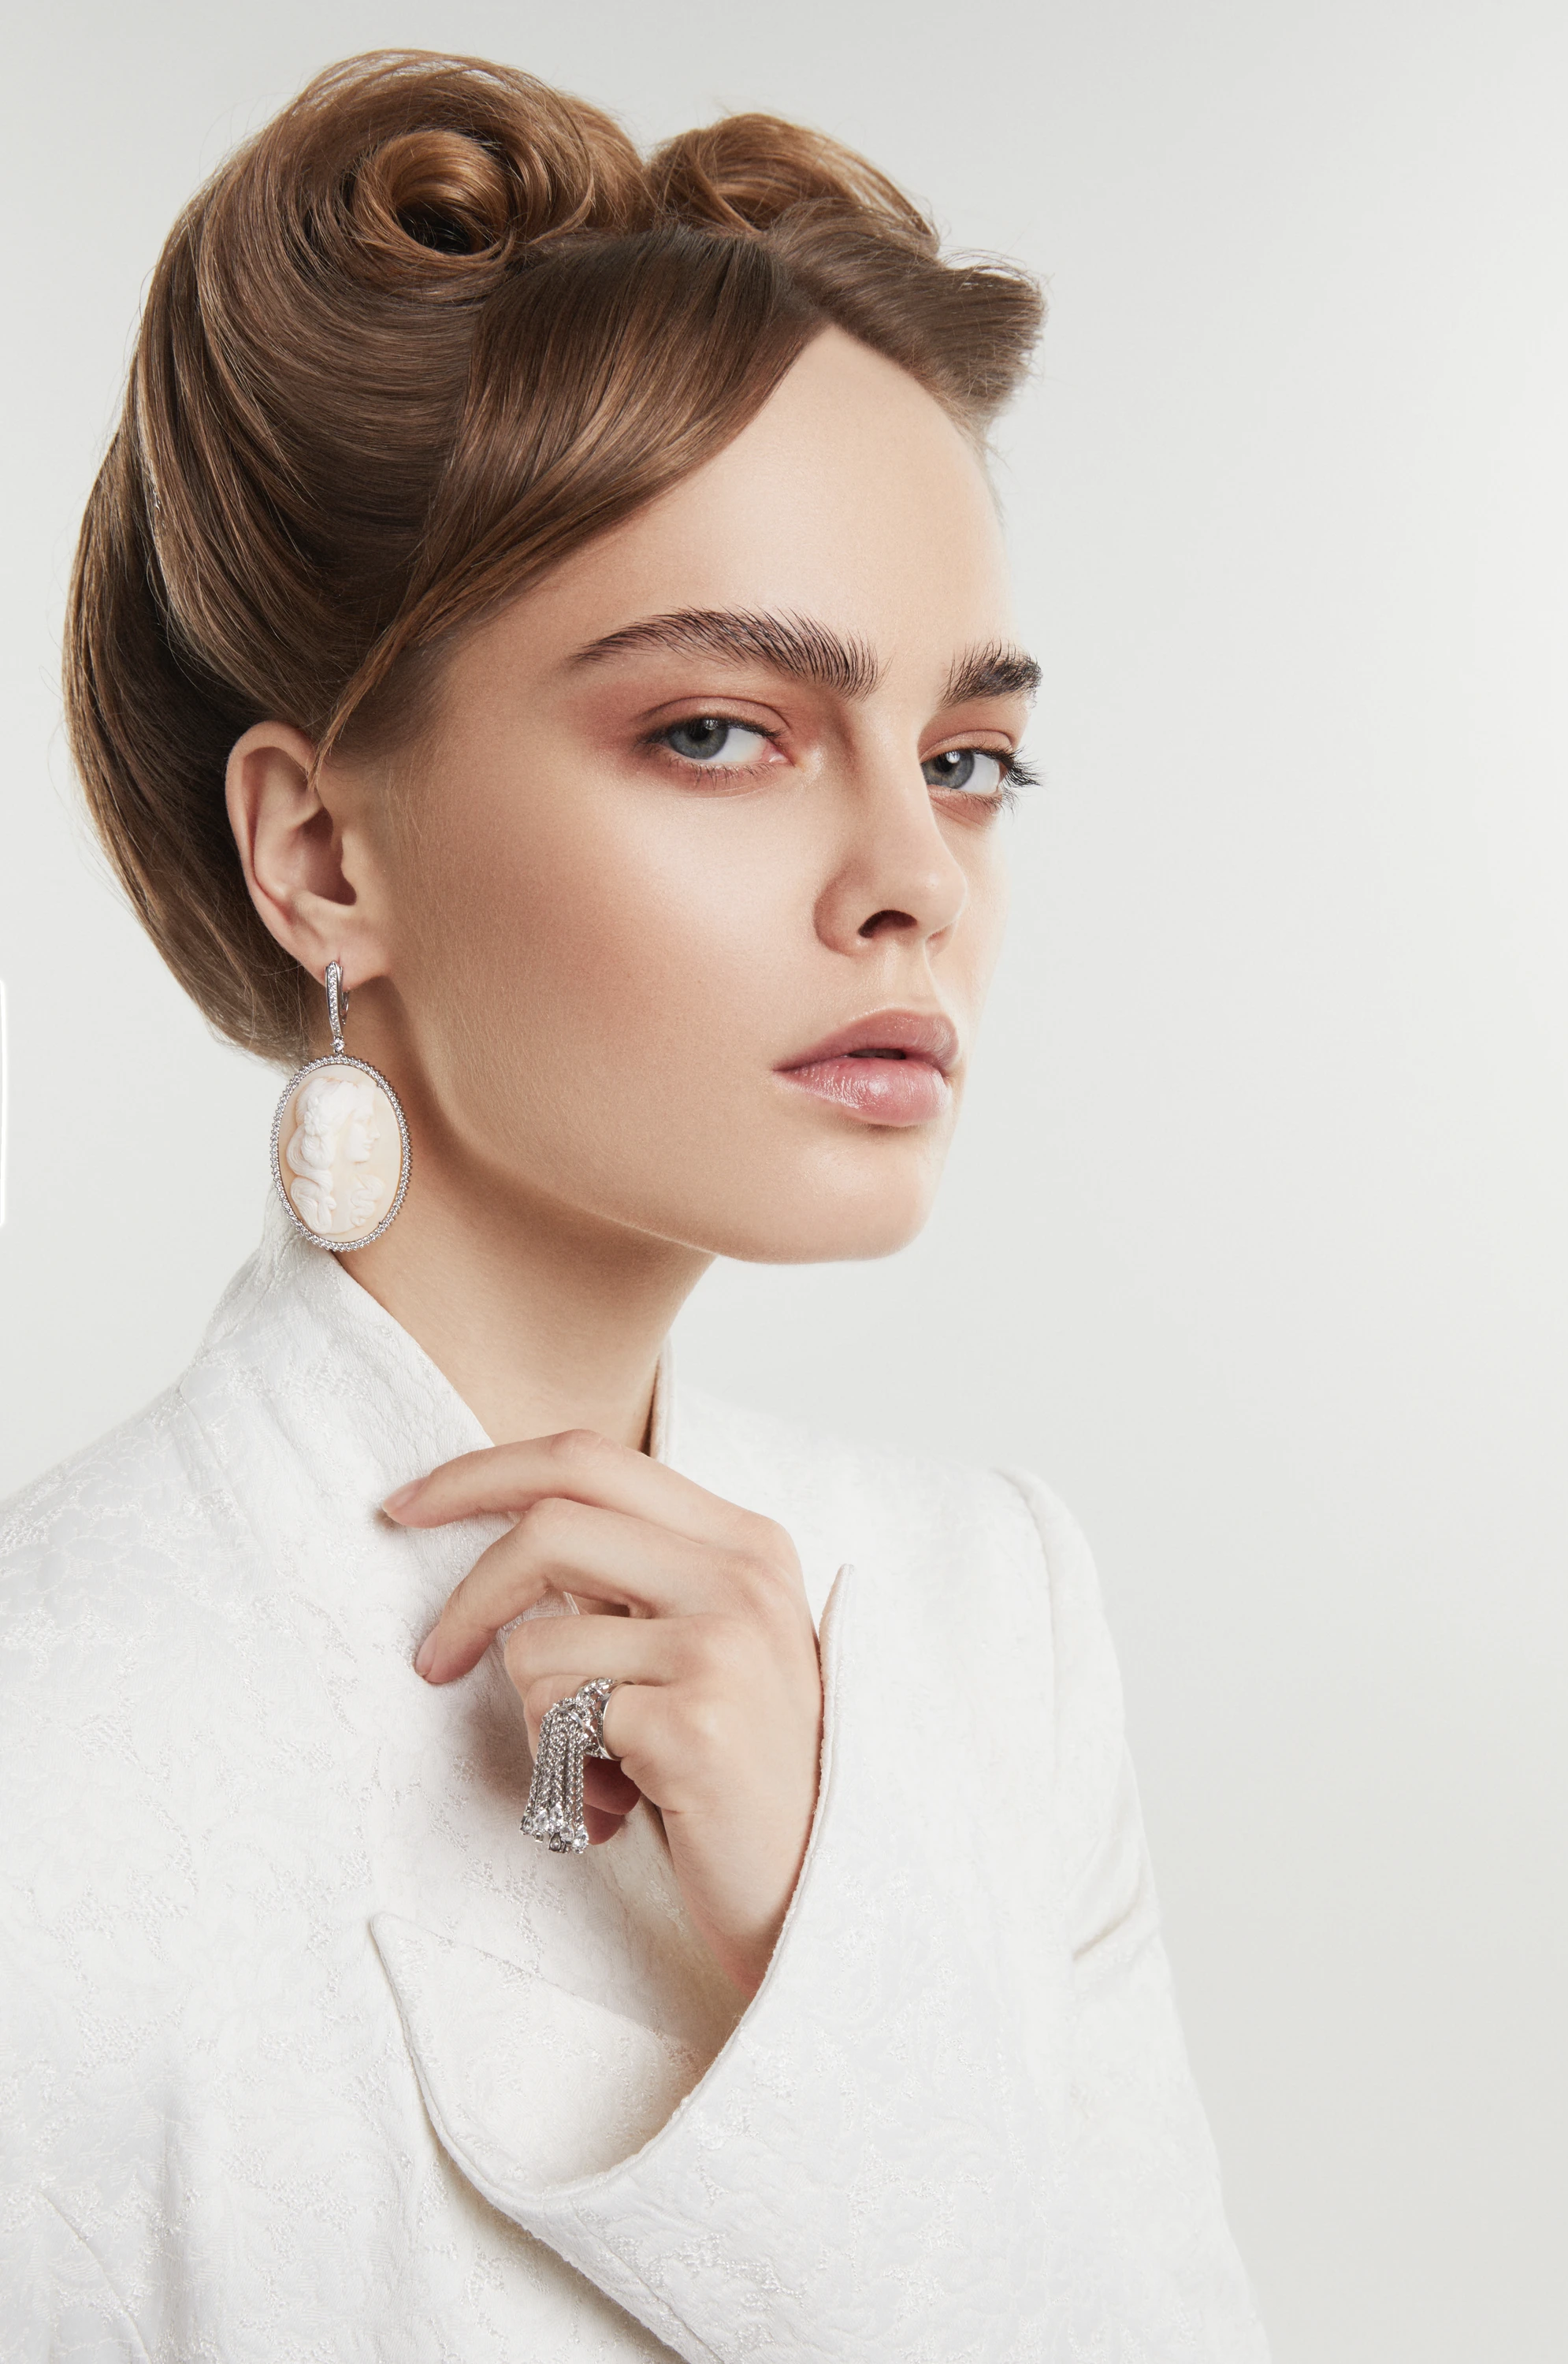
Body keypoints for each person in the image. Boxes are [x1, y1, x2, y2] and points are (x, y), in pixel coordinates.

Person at [1, 49, 1269, 2359]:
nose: (913, 877)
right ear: (324, 852)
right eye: (718, 731)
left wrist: (828, 1927)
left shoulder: (981, 1621)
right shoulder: (54, 1749)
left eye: (968, 757)